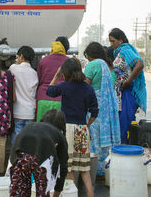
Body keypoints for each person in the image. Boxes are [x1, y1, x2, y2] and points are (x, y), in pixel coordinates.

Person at [46, 58, 98, 197]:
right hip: (82, 129)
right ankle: (90, 194)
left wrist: (56, 76)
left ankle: (72, 193)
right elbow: (95, 111)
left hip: (68, 129)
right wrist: (87, 125)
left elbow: (49, 91)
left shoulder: (65, 86)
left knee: (68, 167)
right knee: (84, 168)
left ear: (66, 72)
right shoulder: (88, 88)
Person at [10, 109, 68, 197]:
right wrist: (56, 193)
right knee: (42, 193)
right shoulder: (59, 135)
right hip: (40, 159)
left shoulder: (32, 125)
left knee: (19, 192)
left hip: (19, 156)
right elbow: (63, 168)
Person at [83, 42, 120, 176]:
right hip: (106, 107)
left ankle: (95, 170)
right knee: (103, 138)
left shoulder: (92, 65)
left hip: (93, 105)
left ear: (90, 55)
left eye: (87, 56)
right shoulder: (106, 65)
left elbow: (85, 86)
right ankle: (105, 170)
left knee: (93, 136)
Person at [108, 28, 147, 143]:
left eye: (113, 41)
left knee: (126, 119)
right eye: (110, 41)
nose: (111, 44)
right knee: (123, 119)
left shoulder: (125, 50)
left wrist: (128, 81)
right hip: (124, 91)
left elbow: (139, 64)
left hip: (130, 89)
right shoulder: (119, 52)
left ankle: (127, 146)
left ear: (121, 40)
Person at [9, 46, 38, 144]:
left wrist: (17, 61)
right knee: (28, 140)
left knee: (17, 138)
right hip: (30, 111)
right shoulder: (34, 73)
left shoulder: (13, 68)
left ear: (21, 56)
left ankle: (15, 158)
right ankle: (27, 158)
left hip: (18, 111)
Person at [36, 36, 70, 121]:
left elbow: (39, 80)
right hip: (62, 100)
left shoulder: (43, 60)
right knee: (59, 130)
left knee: (42, 128)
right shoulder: (69, 61)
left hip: (43, 99)